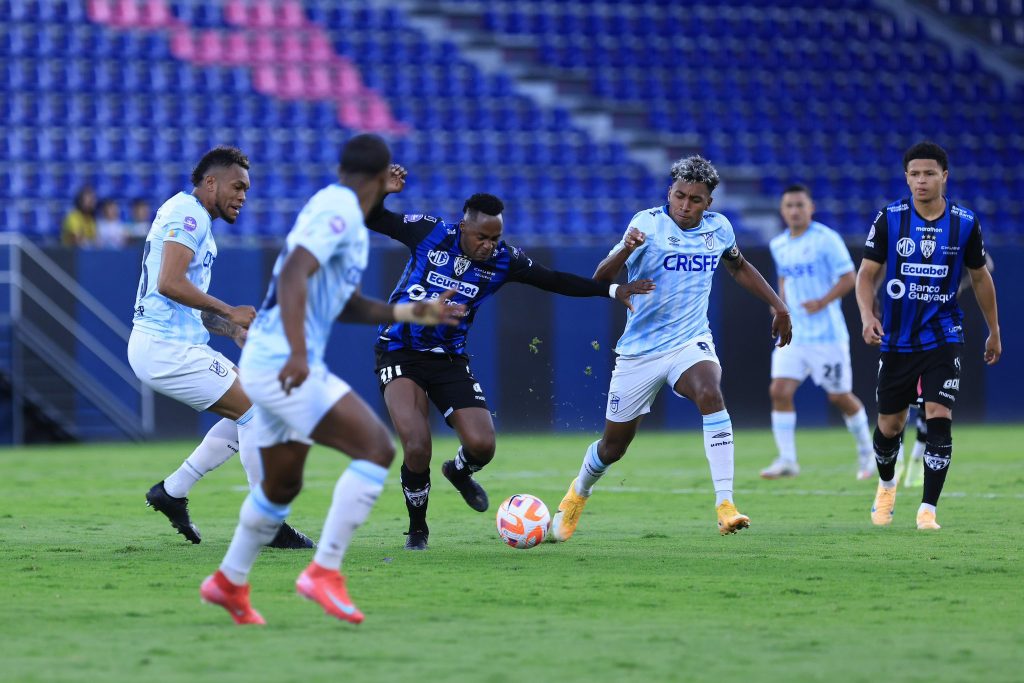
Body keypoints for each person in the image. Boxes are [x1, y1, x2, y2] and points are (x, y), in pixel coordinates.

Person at [199, 135, 465, 626]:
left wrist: (415, 311)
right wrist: (299, 352)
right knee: (377, 449)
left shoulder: (341, 218)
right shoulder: (339, 208)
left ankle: (228, 582)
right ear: (380, 177)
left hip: (270, 358)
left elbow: (347, 304)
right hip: (283, 357)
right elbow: (295, 274)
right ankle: (323, 573)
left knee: (282, 485)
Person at [366, 164, 656, 551]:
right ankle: (417, 529)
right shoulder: (430, 231)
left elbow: (554, 280)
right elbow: (372, 216)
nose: (489, 245)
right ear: (463, 227)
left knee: (483, 445)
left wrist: (612, 291)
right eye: (482, 237)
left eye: (496, 237)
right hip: (399, 350)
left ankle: (459, 470)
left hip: (448, 358)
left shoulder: (504, 259)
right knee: (417, 445)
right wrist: (381, 191)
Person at [549, 155, 792, 542]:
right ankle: (579, 491)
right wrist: (626, 250)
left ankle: (725, 505)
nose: (685, 205)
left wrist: (778, 305)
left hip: (689, 340)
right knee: (613, 447)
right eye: (680, 195)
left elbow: (739, 265)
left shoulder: (719, 229)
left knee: (711, 392)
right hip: (639, 352)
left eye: (695, 199)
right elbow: (600, 279)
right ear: (669, 192)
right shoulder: (646, 223)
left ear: (708, 203)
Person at [128, 146, 311, 549]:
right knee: (256, 410)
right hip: (165, 347)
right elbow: (170, 283)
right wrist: (229, 309)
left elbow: (181, 299)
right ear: (210, 182)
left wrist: (229, 328)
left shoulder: (192, 217)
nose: (243, 195)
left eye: (246, 188)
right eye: (237, 186)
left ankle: (172, 492)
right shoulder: (187, 215)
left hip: (173, 342)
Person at [855, 141, 1001, 530]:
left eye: (929, 173)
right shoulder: (890, 218)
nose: (921, 181)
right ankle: (887, 486)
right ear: (906, 177)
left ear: (944, 177)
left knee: (939, 414)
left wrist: (994, 330)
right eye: (915, 174)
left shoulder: (965, 222)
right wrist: (868, 315)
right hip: (898, 338)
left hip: (944, 334)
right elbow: (867, 274)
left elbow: (980, 277)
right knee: (890, 426)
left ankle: (928, 510)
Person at [759, 184, 874, 480]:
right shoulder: (779, 244)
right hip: (793, 335)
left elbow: (850, 277)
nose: (794, 211)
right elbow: (783, 277)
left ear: (811, 208)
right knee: (779, 391)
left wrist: (822, 301)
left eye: (800, 205)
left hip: (826, 335)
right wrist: (779, 305)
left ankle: (868, 454)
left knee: (840, 397)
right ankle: (787, 460)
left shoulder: (826, 239)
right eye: (789, 206)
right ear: (782, 211)